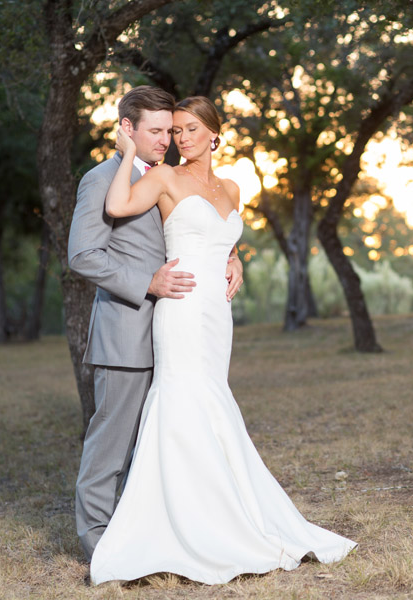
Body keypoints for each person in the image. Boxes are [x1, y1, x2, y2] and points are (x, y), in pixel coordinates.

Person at [88, 96, 356, 585]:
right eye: (175, 131)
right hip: (183, 306)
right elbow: (117, 204)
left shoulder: (231, 186)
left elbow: (223, 237)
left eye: (190, 129)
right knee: (182, 401)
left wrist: (235, 260)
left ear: (214, 132)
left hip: (217, 314)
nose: (180, 139)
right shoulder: (165, 177)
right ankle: (187, 524)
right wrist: (128, 151)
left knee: (213, 402)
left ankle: (230, 513)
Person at [67, 86, 245, 562]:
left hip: (180, 329)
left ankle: (155, 531)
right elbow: (83, 254)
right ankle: (97, 542)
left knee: (167, 439)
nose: (167, 139)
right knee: (112, 442)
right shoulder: (101, 178)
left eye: (171, 130)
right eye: (157, 131)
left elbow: (200, 228)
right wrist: (147, 282)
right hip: (126, 328)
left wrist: (232, 255)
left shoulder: (175, 175)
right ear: (127, 129)